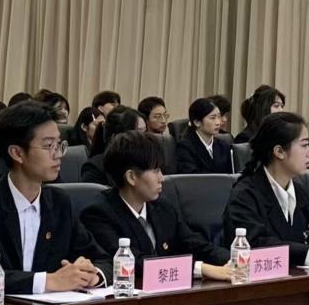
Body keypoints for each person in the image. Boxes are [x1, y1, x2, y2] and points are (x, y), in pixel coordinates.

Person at [0, 101, 112, 297]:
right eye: (49, 146)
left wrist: (91, 275)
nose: (58, 154)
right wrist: (47, 281)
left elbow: (104, 260)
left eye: (59, 144)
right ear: (17, 153)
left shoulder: (59, 202)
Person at [82, 131, 232, 282]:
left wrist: (232, 260)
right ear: (131, 177)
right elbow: (135, 262)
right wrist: (201, 269)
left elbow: (194, 243)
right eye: (156, 171)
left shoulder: (162, 206)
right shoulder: (99, 214)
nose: (162, 178)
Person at [222, 112, 309, 268]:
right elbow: (256, 245)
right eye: (304, 145)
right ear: (279, 151)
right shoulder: (245, 194)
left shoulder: (301, 191)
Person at [81, 106, 146, 186]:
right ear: (117, 136)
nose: (145, 138)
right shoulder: (95, 168)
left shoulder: (147, 161)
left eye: (145, 132)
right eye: (139, 133)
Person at [176, 98, 232, 174]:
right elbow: (190, 176)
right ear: (197, 122)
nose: (218, 123)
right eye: (213, 118)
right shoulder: (185, 147)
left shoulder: (223, 146)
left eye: (219, 117)